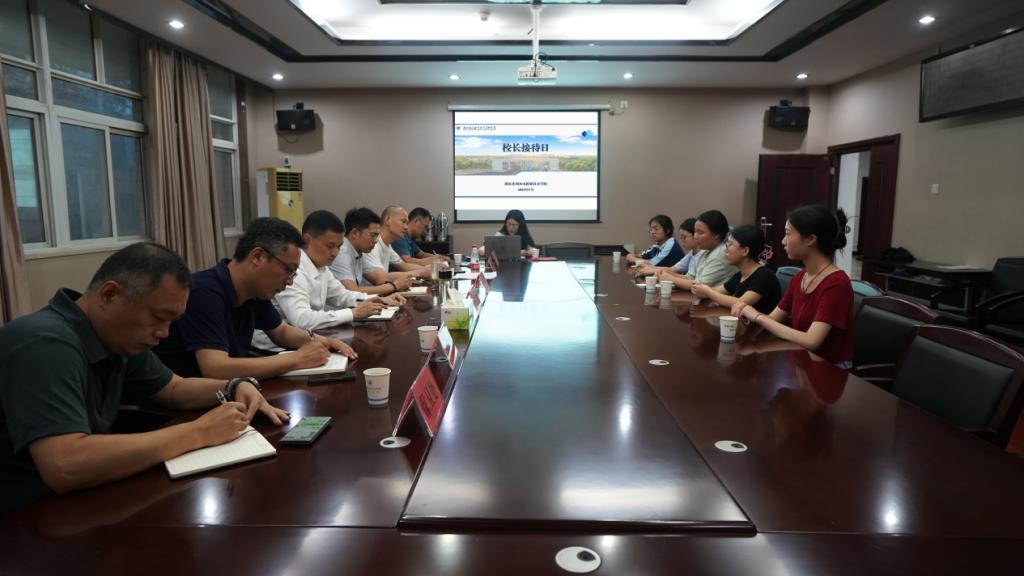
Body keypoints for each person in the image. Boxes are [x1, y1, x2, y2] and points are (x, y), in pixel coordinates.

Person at [0, 243, 289, 515]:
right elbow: (64, 465)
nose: (164, 333)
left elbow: (175, 388)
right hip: (22, 517)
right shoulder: (46, 344)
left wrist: (235, 385)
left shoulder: (115, 338)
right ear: (109, 295)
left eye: (171, 322)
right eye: (159, 317)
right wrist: (199, 432)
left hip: (75, 503)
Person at [155, 217, 357, 379]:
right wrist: (296, 359)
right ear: (257, 257)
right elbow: (215, 368)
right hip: (184, 407)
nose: (290, 281)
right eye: (288, 270)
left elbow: (281, 332)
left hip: (231, 393)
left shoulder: (254, 291)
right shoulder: (204, 292)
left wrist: (324, 341)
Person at [253, 211, 406, 352]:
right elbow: (301, 320)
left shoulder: (321, 266)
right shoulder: (294, 269)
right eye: (330, 246)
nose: (335, 253)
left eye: (339, 247)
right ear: (307, 240)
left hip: (309, 340)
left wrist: (377, 300)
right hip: (274, 351)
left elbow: (342, 295)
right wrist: (352, 313)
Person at [733, 205, 855, 368]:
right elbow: (772, 320)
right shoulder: (800, 277)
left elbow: (812, 341)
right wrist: (746, 316)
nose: (783, 241)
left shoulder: (837, 283)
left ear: (810, 239)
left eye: (788, 233)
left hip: (831, 369)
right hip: (803, 362)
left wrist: (757, 316)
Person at [691, 224, 781, 314]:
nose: (725, 250)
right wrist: (700, 289)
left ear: (745, 251)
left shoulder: (764, 276)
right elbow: (718, 291)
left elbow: (740, 303)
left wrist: (708, 291)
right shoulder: (740, 275)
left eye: (730, 244)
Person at [331, 207, 414, 297]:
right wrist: (394, 286)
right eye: (373, 235)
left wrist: (401, 283)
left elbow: (378, 278)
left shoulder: (359, 253)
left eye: (377, 236)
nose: (375, 240)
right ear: (355, 233)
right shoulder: (341, 252)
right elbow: (352, 291)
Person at [658, 210, 736, 290]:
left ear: (716, 235)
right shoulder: (706, 251)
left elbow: (699, 286)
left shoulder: (720, 254)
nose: (695, 236)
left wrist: (672, 279)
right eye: (695, 232)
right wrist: (665, 274)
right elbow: (689, 278)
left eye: (700, 233)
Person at [367, 206, 432, 284]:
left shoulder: (387, 245)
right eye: (403, 222)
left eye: (407, 223)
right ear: (388, 220)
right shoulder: (372, 244)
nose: (406, 227)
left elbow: (404, 266)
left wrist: (429, 270)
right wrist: (420, 272)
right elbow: (381, 277)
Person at [636, 218, 701, 276]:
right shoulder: (691, 253)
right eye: (681, 237)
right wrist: (650, 268)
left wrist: (656, 271)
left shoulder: (671, 244)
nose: (652, 232)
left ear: (695, 235)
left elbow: (692, 281)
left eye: (684, 237)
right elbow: (672, 269)